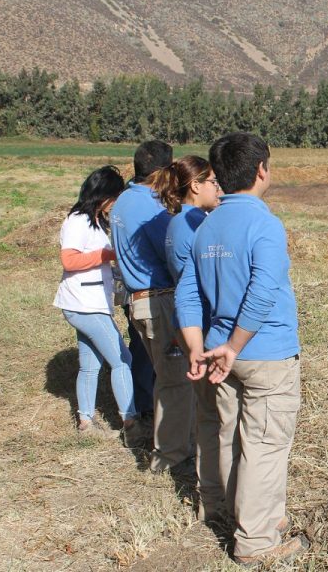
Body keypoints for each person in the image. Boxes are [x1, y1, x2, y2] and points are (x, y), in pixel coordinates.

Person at [175, 132, 308, 565]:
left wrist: (199, 347)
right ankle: (256, 542)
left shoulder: (204, 226)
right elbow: (263, 290)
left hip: (219, 354)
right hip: (262, 353)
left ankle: (240, 514)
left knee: (230, 439)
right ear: (261, 171)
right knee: (265, 446)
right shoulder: (264, 224)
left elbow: (188, 294)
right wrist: (235, 345)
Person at [111, 140, 195, 474]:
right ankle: (172, 456)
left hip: (139, 301)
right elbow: (172, 251)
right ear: (162, 172)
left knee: (165, 378)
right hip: (159, 300)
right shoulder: (149, 208)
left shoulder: (123, 200)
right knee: (176, 382)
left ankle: (170, 443)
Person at [148, 156, 224, 522]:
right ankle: (211, 488)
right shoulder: (189, 223)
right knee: (211, 413)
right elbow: (196, 283)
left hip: (198, 323)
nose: (218, 188)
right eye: (212, 182)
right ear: (195, 186)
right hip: (203, 327)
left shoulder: (184, 220)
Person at [53, 165, 142, 444]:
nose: (115, 205)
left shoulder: (92, 220)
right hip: (84, 304)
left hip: (87, 302)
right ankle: (132, 423)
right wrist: (107, 254)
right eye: (115, 197)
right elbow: (69, 260)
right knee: (122, 360)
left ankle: (85, 421)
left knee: (90, 363)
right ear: (103, 195)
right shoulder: (78, 221)